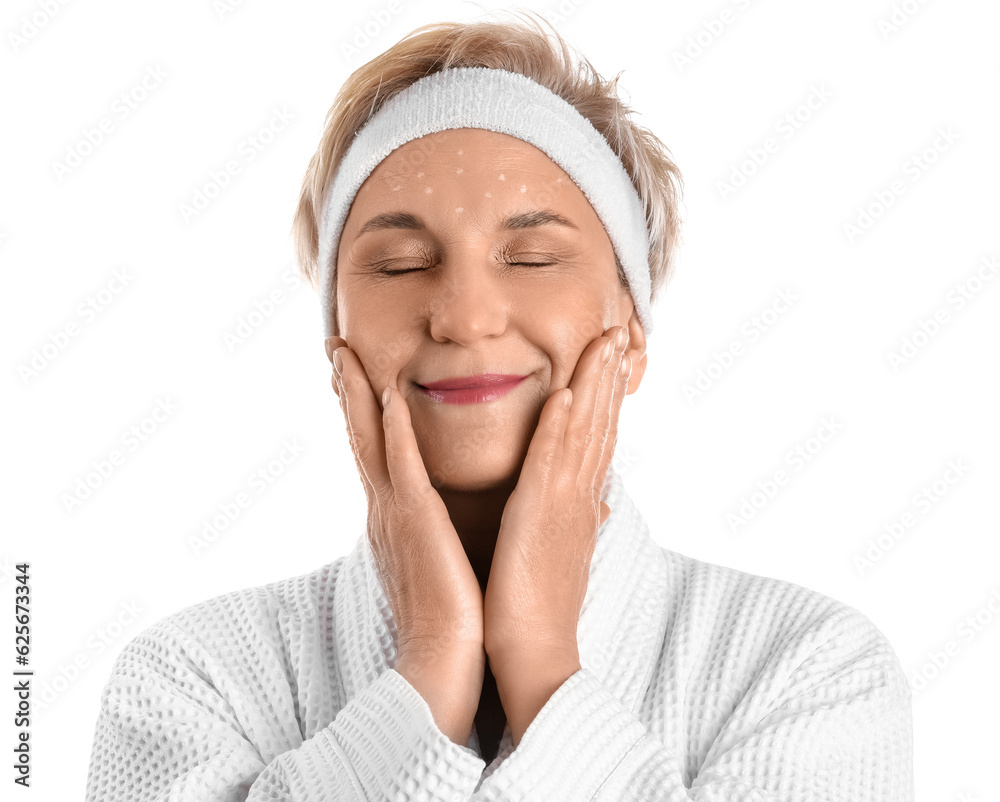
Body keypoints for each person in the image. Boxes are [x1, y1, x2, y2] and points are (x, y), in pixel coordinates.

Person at [84, 12, 914, 801]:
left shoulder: (811, 669)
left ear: (632, 333)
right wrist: (431, 665)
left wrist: (544, 664)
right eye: (402, 263)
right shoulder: (187, 680)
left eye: (533, 255)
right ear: (335, 340)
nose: (466, 316)